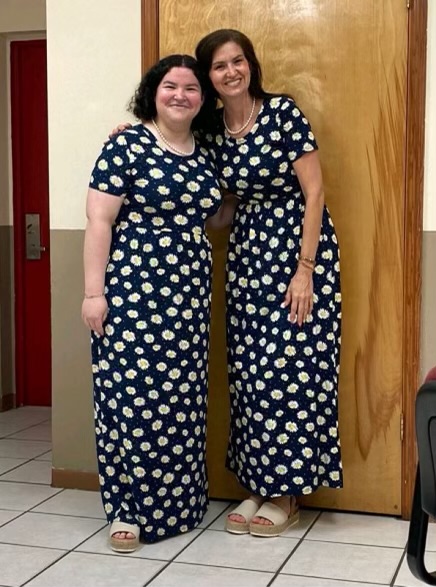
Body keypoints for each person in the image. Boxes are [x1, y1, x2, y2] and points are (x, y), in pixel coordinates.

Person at [111, 28, 343, 538]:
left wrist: (305, 269)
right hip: (245, 256)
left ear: (250, 64)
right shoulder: (211, 129)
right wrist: (129, 135)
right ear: (208, 77)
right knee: (250, 376)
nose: (231, 71)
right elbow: (174, 150)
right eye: (219, 66)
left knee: (289, 373)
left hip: (297, 253)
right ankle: (259, 483)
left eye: (238, 61)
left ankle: (287, 493)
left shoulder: (282, 114)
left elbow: (315, 192)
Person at [81, 54, 221, 552]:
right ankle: (128, 510)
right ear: (152, 93)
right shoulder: (127, 144)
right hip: (133, 292)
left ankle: (180, 504)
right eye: (170, 86)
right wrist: (93, 293)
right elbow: (99, 221)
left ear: (202, 99)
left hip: (190, 297)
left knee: (182, 401)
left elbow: (212, 214)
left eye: (191, 88)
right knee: (132, 399)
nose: (180, 95)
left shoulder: (205, 151)